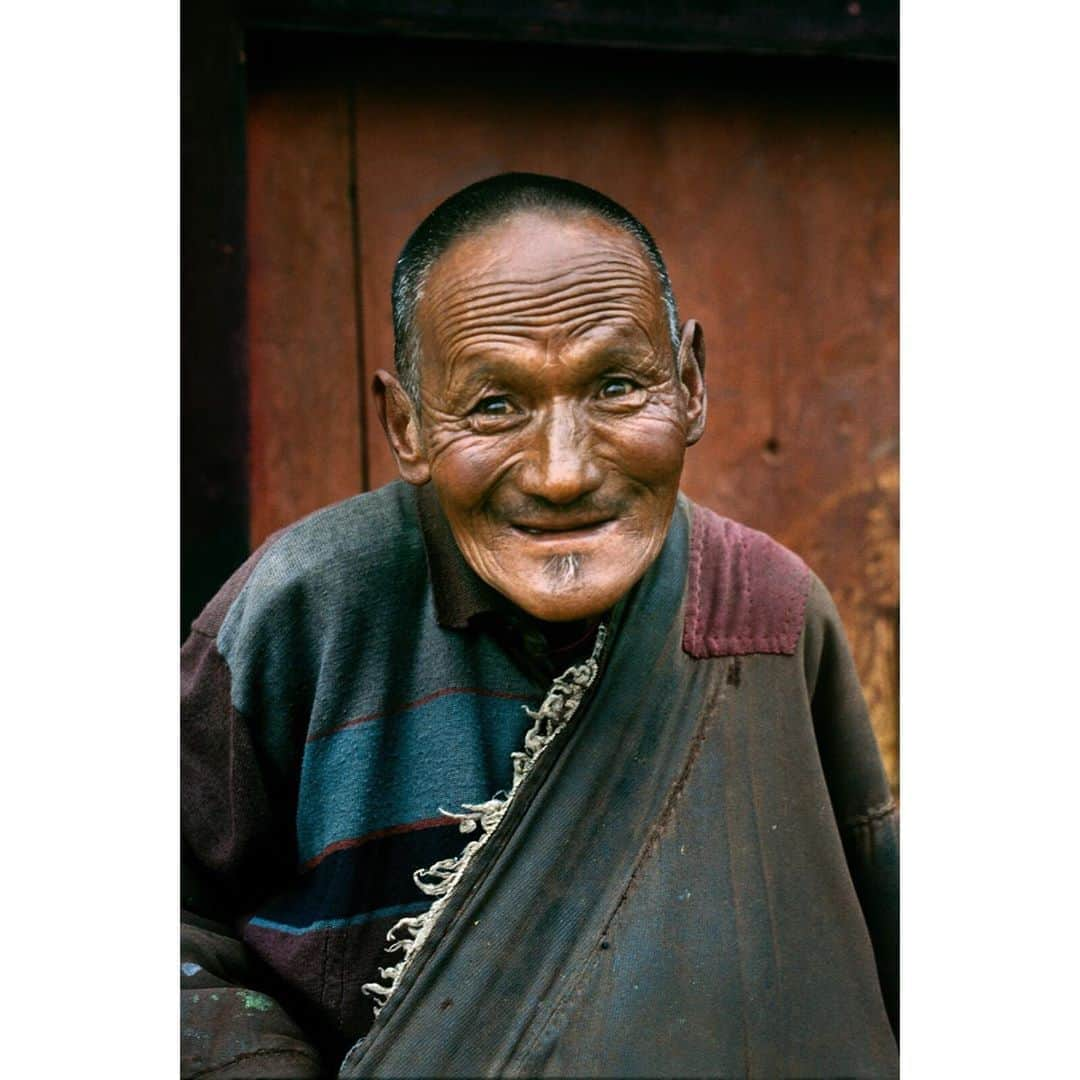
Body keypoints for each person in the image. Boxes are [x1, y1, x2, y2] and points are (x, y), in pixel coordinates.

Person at [181, 173, 898, 1078]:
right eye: (493, 405)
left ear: (690, 384)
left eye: (616, 386)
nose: (562, 473)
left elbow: (873, 955)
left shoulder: (764, 614)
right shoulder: (314, 606)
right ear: (405, 426)